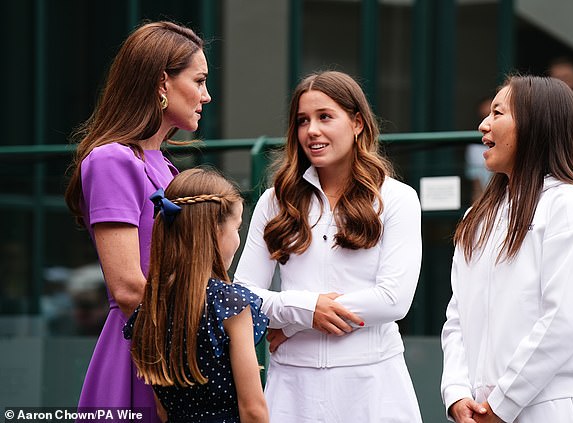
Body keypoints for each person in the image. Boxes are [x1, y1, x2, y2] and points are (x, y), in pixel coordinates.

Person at [234, 70, 423, 422]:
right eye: (303, 121)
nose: (312, 131)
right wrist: (306, 309)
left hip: (373, 384)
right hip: (292, 387)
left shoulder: (398, 199)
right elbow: (243, 294)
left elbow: (393, 300)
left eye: (325, 117)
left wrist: (292, 322)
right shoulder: (276, 201)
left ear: (357, 123)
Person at [441, 75, 573, 423]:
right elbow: (457, 318)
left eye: (498, 113)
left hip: (550, 407)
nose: (483, 124)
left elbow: (563, 320)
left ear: (536, 124)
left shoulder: (570, 204)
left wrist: (502, 403)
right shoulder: (477, 217)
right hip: (481, 412)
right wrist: (457, 393)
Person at [64, 21, 212, 421]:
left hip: (171, 347)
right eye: (199, 81)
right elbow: (129, 287)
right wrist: (210, 325)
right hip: (141, 352)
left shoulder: (167, 167)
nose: (206, 96)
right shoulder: (112, 159)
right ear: (162, 81)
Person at [123, 167, 269, 423]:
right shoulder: (231, 304)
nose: (237, 239)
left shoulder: (149, 310)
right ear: (215, 230)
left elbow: (162, 411)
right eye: (237, 228)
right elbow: (253, 410)